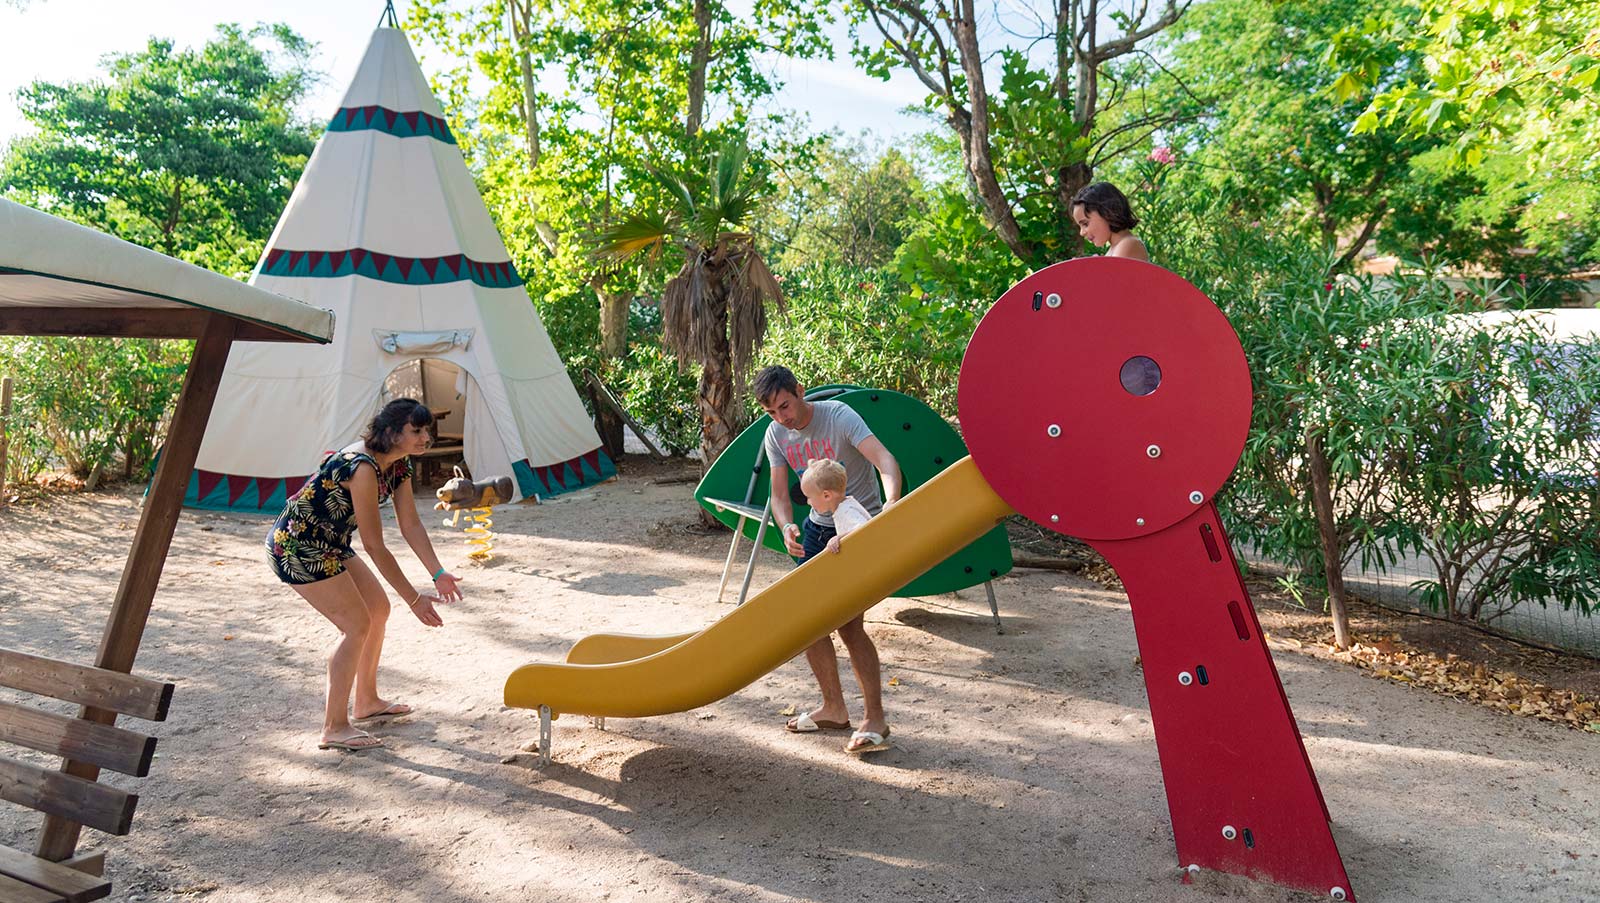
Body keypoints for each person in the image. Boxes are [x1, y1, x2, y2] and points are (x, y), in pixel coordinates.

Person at [266, 398, 464, 751]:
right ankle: (334, 727)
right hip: (297, 546)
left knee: (377, 610)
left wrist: (437, 572)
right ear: (390, 432)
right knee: (356, 624)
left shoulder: (398, 466)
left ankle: (366, 702)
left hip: (330, 543)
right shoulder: (362, 468)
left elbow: (411, 525)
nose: (425, 439)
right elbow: (374, 545)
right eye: (416, 431)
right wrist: (414, 599)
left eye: (426, 432)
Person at [757, 366, 903, 754]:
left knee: (849, 625)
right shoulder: (775, 434)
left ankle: (875, 719)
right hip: (817, 532)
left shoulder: (839, 416)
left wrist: (890, 503)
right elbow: (779, 496)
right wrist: (786, 526)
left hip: (855, 526)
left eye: (785, 406)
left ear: (799, 391)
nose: (782, 417)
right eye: (772, 412)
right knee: (810, 622)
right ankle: (834, 707)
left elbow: (885, 459)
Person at [798, 458, 872, 556]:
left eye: (809, 497)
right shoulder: (843, 507)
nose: (808, 502)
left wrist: (839, 538)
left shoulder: (846, 511)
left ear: (826, 496)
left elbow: (865, 529)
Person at [1072, 181, 1149, 261]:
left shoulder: (1127, 244)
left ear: (1108, 212)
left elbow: (1112, 273)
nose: (1082, 233)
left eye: (1085, 224)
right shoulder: (1115, 247)